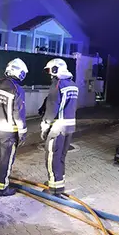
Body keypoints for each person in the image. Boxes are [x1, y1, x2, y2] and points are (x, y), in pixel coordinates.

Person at [0, 58, 29, 197]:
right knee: (5, 160)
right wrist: (22, 132)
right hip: (8, 133)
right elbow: (18, 113)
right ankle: (1, 188)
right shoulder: (17, 89)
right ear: (20, 73)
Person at [40, 58, 79, 195]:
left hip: (58, 128)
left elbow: (52, 109)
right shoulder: (73, 85)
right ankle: (57, 182)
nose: (50, 74)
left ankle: (54, 188)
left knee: (52, 157)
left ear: (56, 69)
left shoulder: (58, 85)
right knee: (61, 157)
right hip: (69, 128)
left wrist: (45, 126)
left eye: (51, 70)